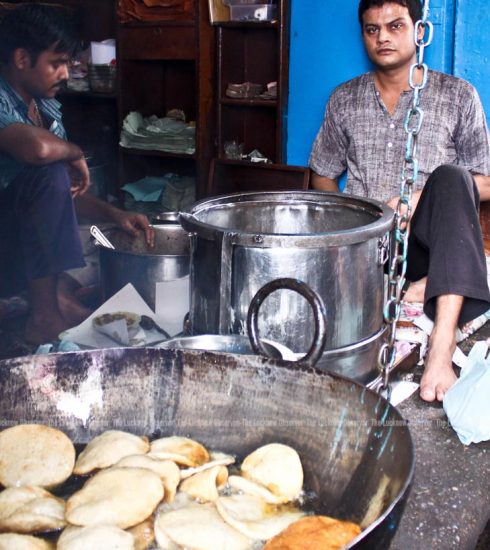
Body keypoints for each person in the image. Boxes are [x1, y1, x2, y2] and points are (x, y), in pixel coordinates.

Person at [309, 0, 490, 402]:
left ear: (418, 29)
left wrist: (418, 197)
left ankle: (440, 349)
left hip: (427, 241)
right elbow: (322, 174)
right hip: (367, 245)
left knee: (451, 178)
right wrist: (348, 224)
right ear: (363, 35)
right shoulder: (344, 99)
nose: (383, 37)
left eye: (395, 26)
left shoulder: (457, 95)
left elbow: (487, 179)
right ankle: (421, 288)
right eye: (372, 29)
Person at [0, 4, 154, 345]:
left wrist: (116, 214)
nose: (66, 74)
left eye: (67, 63)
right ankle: (44, 317)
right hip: (6, 247)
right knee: (52, 171)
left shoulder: (46, 109)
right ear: (22, 59)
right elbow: (37, 152)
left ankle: (56, 301)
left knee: (74, 206)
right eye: (56, 64)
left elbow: (60, 194)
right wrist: (73, 152)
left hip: (18, 247)